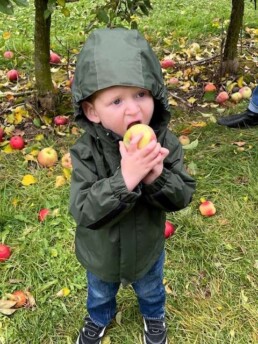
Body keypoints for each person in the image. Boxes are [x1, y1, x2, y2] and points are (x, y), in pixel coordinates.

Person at [70, 28, 196, 344]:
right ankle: (98, 318)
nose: (133, 109)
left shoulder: (164, 143)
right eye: (116, 100)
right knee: (99, 292)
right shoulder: (86, 153)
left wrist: (156, 177)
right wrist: (124, 180)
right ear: (91, 111)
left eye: (141, 94)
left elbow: (182, 195)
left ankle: (154, 319)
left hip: (146, 250)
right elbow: (83, 210)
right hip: (102, 253)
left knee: (152, 289)